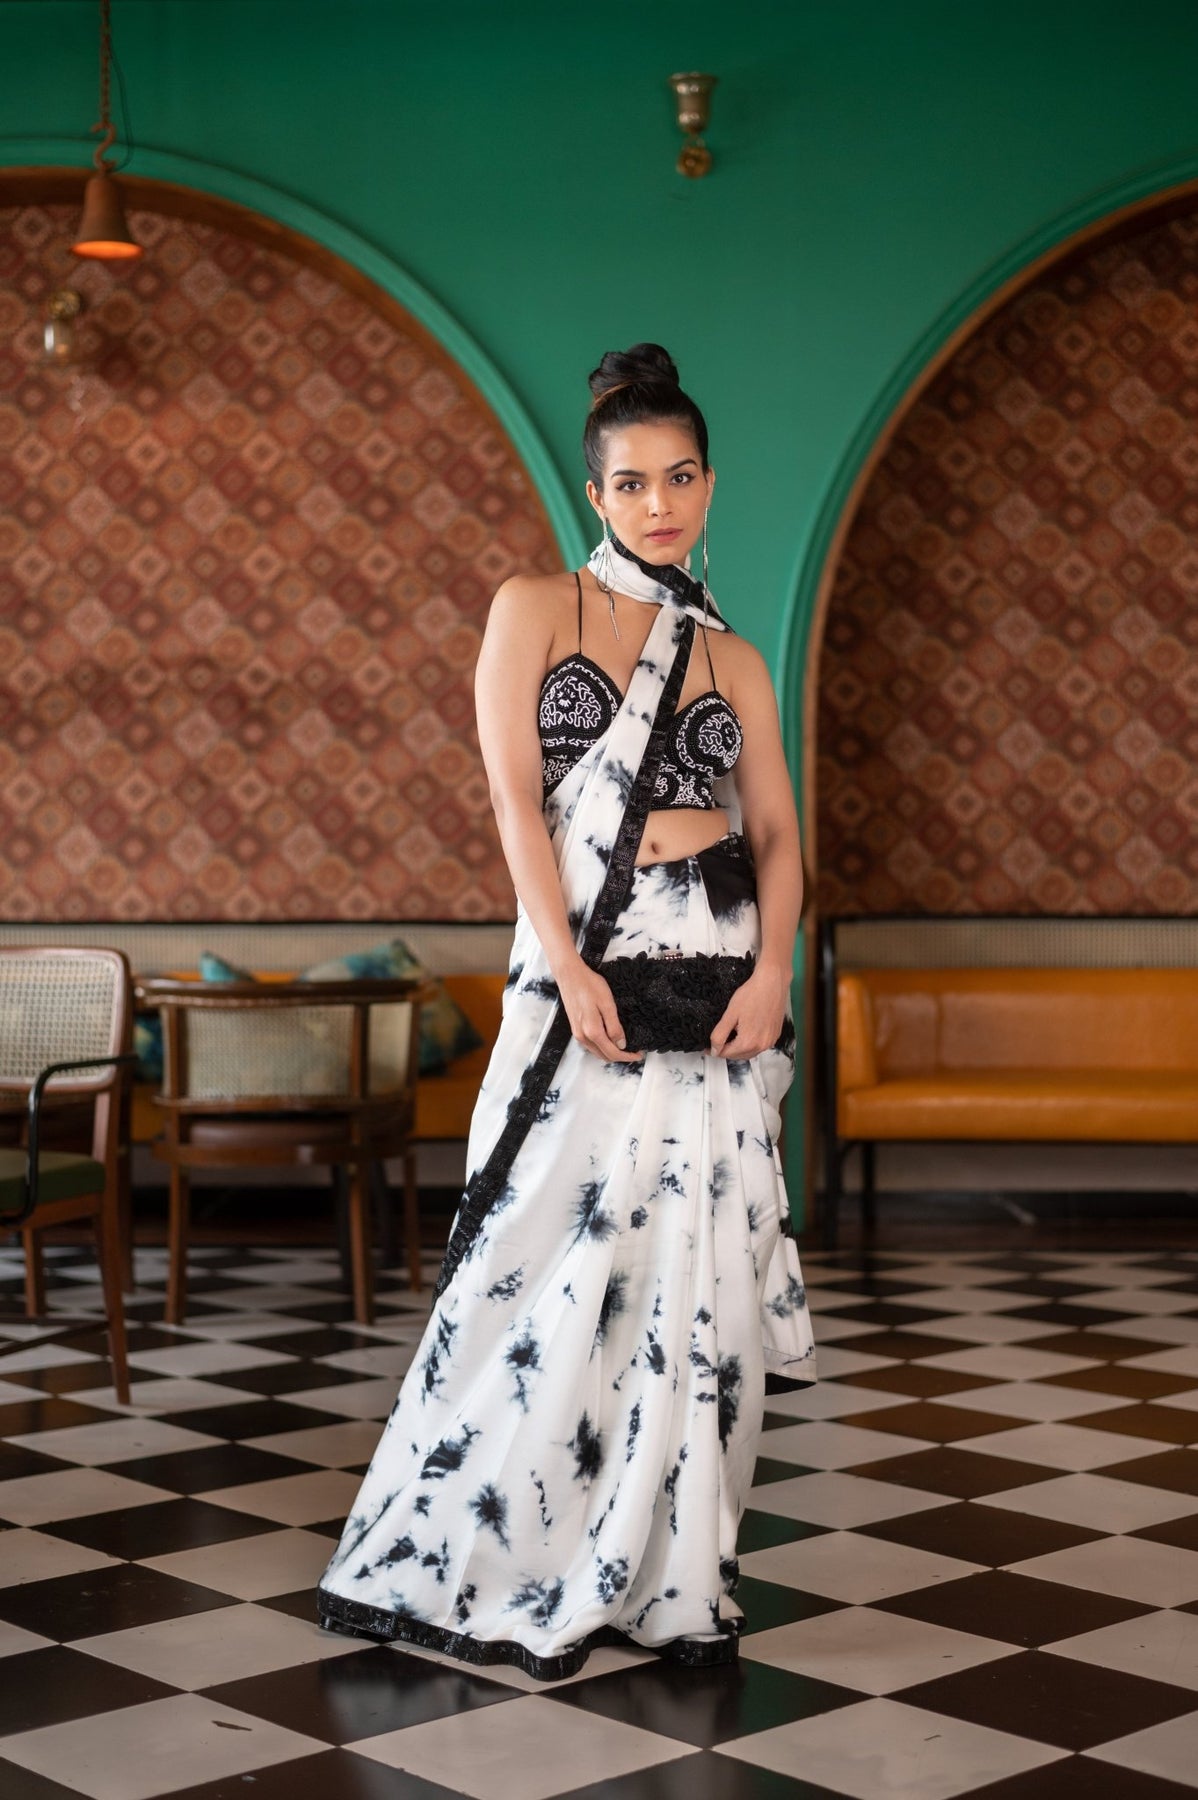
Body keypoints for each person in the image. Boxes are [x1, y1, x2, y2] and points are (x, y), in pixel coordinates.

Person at [317, 342, 816, 1681]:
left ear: (710, 484)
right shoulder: (532, 606)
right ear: (595, 493)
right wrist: (566, 964)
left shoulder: (734, 657)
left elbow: (775, 832)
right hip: (582, 971)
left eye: (681, 478)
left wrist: (774, 971)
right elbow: (510, 799)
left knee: (689, 1284)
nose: (659, 503)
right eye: (632, 483)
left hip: (717, 982)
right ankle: (501, 1547)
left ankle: (668, 1578)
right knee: (542, 1255)